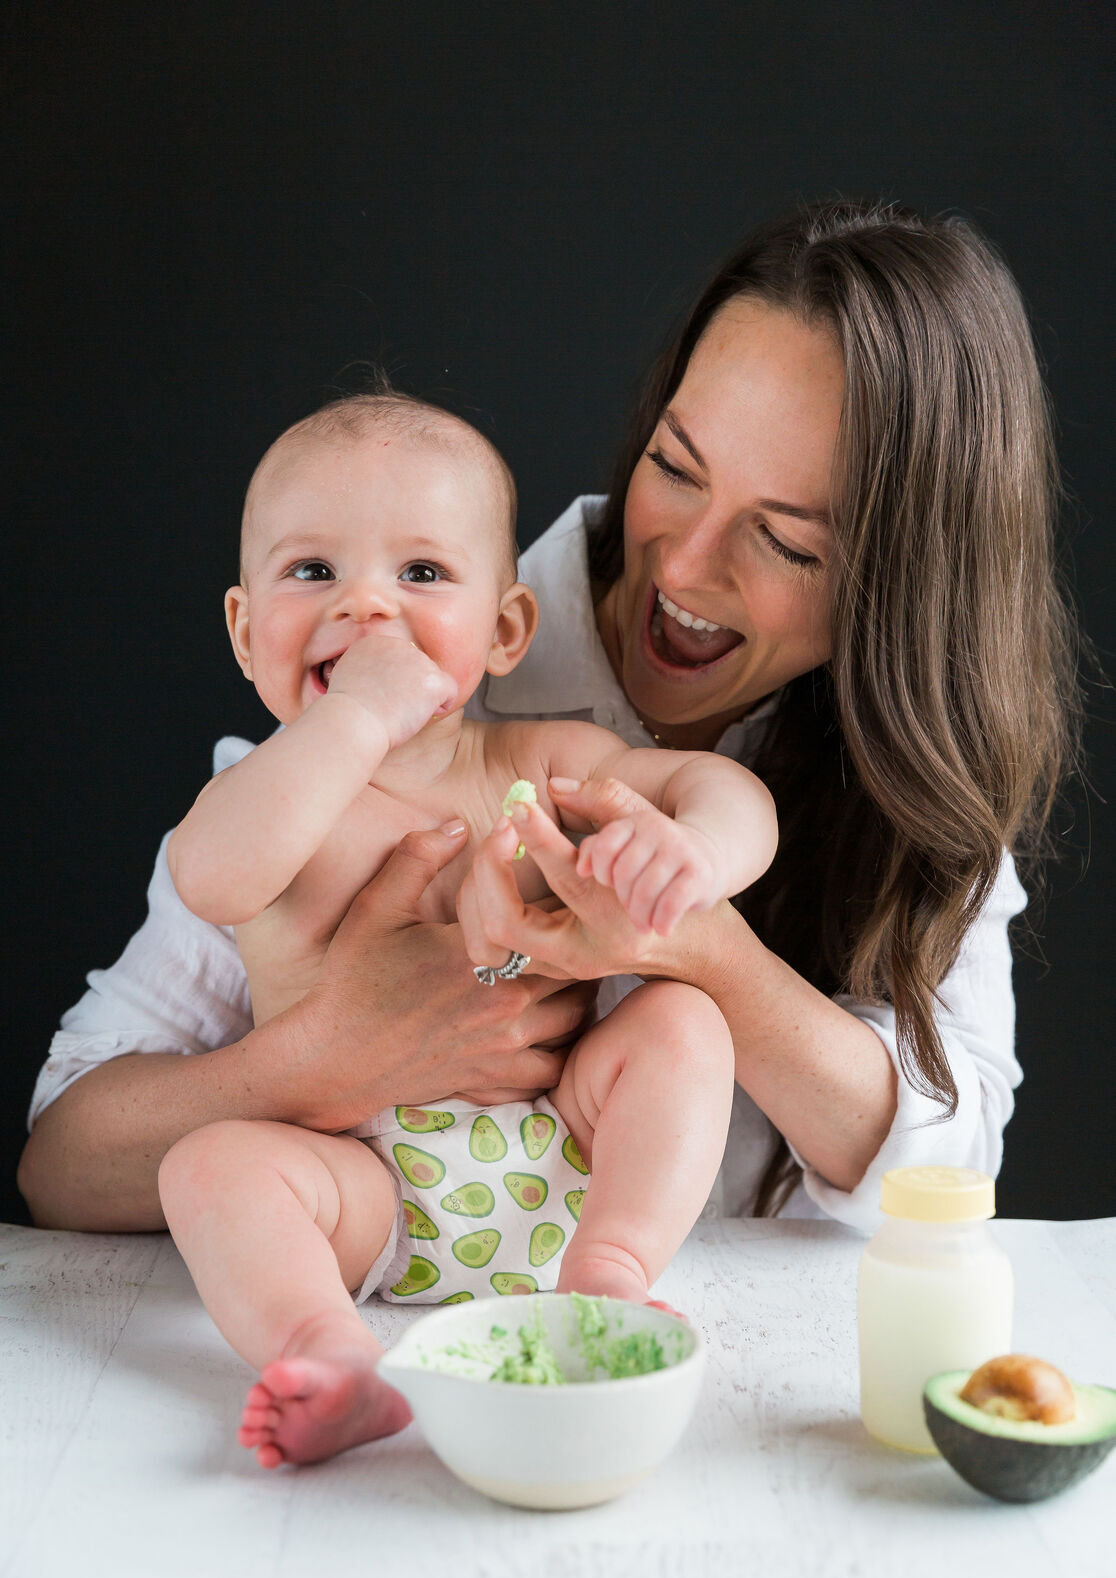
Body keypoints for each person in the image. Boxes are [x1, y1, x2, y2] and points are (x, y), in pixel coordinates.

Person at [21, 198, 1076, 1261]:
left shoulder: (841, 771)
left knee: (678, 1029)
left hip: (688, 1328)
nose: (682, 565)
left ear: (897, 587)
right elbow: (62, 1163)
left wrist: (698, 936)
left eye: (788, 543)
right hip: (384, 1255)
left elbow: (950, 1167)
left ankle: (610, 1262)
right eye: (675, 468)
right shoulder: (353, 730)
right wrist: (319, 1058)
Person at [154, 394, 774, 1464]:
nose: (366, 608)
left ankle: (612, 1273)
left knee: (684, 1024)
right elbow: (209, 878)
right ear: (247, 632)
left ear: (504, 631)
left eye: (422, 572)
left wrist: (699, 851)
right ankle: (327, 1351)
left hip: (563, 1151)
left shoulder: (543, 762)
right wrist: (358, 717)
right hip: (358, 1189)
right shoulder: (265, 801)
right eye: (314, 571)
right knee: (207, 1168)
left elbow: (716, 787)